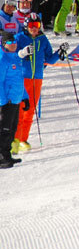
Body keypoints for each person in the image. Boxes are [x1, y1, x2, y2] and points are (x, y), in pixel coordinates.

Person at [12, 13, 67, 153]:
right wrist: (22, 53)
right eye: (31, 25)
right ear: (26, 25)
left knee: (30, 111)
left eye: (36, 25)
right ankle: (15, 140)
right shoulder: (19, 38)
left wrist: (60, 52)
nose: (34, 29)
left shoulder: (43, 39)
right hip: (22, 78)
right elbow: (11, 55)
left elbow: (49, 59)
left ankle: (23, 139)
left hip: (37, 78)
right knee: (20, 110)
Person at [0, 31, 29, 168]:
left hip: (16, 99)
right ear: (4, 44)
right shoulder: (3, 59)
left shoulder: (16, 59)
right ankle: (2, 157)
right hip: (7, 101)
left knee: (12, 129)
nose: (13, 45)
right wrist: (3, 101)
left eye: (14, 42)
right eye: (9, 43)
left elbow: (19, 80)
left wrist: (25, 97)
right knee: (4, 130)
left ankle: (7, 155)